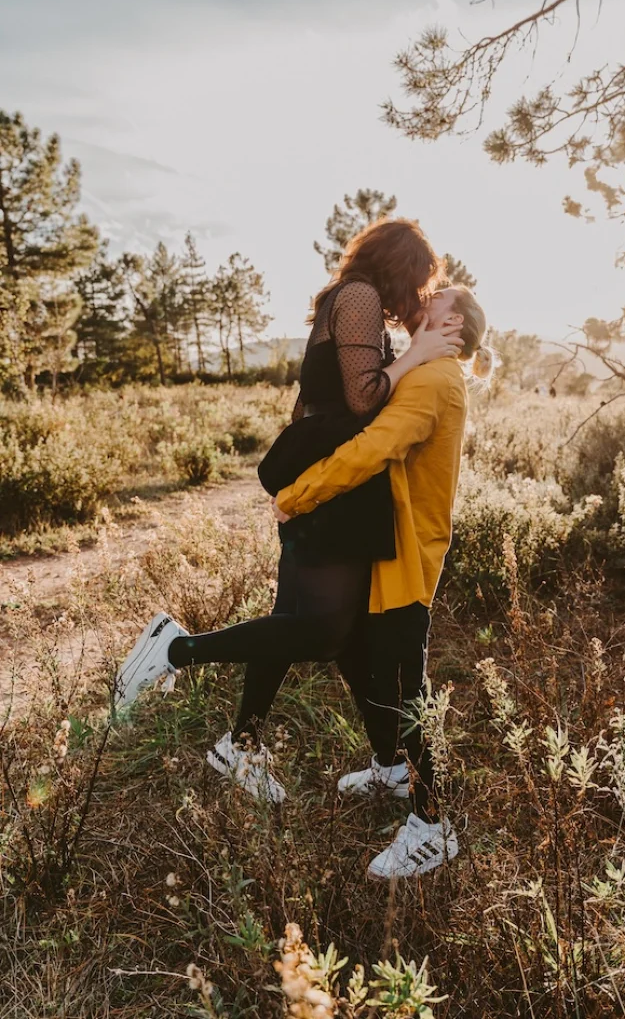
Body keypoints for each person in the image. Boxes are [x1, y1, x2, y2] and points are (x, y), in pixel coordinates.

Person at [113, 219, 462, 804]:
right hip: (337, 483)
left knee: (315, 626)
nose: (419, 295)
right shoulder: (359, 296)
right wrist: (416, 354)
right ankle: (175, 649)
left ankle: (245, 744)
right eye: (419, 281)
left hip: (333, 476)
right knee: (324, 632)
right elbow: (363, 398)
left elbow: (315, 400)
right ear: (399, 266)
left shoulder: (351, 301)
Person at [270, 284, 494, 879]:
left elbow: (373, 448)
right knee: (356, 655)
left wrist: (297, 494)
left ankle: (434, 824)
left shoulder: (434, 379)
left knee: (405, 685)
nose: (425, 296)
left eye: (438, 297)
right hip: (382, 547)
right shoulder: (427, 370)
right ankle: (393, 769)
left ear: (454, 324)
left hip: (407, 556)